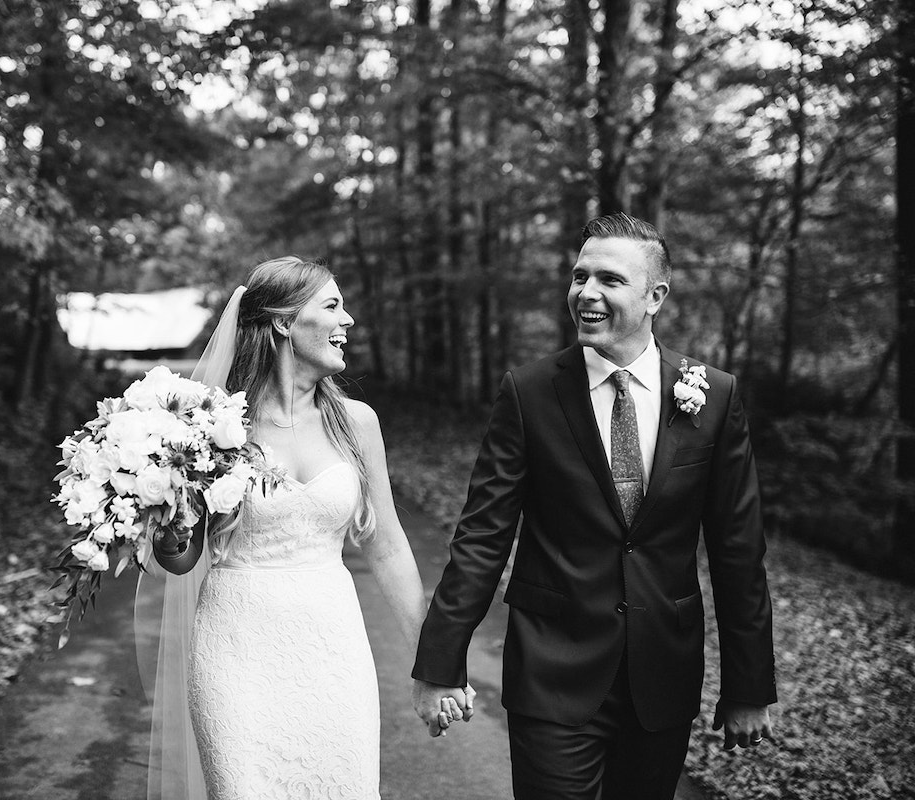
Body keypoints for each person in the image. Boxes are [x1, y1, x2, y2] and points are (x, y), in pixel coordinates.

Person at [411, 213, 777, 799]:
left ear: (655, 296)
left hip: (662, 674)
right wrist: (439, 665)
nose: (586, 293)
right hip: (552, 671)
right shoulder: (529, 392)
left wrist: (749, 685)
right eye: (580, 277)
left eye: (609, 279)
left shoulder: (713, 395)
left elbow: (738, 551)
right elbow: (483, 537)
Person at [140, 256, 470, 800]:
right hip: (235, 651)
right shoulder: (212, 426)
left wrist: (434, 664)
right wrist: (169, 523)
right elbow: (181, 558)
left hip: (333, 651)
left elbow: (386, 546)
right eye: (334, 306)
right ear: (284, 323)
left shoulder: (357, 423)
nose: (350, 321)